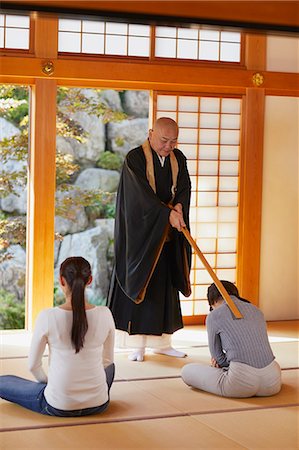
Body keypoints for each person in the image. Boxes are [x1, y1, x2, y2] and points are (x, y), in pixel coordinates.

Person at [108, 117, 192, 362]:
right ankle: (138, 345)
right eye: (164, 140)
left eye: (173, 142)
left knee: (165, 286)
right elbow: (139, 197)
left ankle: (164, 342)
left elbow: (185, 188)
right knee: (141, 284)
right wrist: (166, 214)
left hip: (166, 234)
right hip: (141, 235)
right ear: (151, 133)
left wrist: (178, 207)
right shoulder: (135, 158)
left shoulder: (180, 159)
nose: (168, 146)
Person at [0, 257, 115, 416]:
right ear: (89, 280)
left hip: (58, 405)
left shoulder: (48, 316)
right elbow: (108, 361)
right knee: (110, 368)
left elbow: (33, 366)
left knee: (3, 381)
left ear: (61, 280)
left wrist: (49, 383)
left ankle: (56, 390)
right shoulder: (105, 313)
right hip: (99, 403)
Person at [181, 281, 282, 397]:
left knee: (186, 370)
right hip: (273, 382)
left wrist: (224, 364)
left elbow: (217, 356)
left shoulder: (214, 316)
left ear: (212, 301)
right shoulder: (256, 310)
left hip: (239, 383)